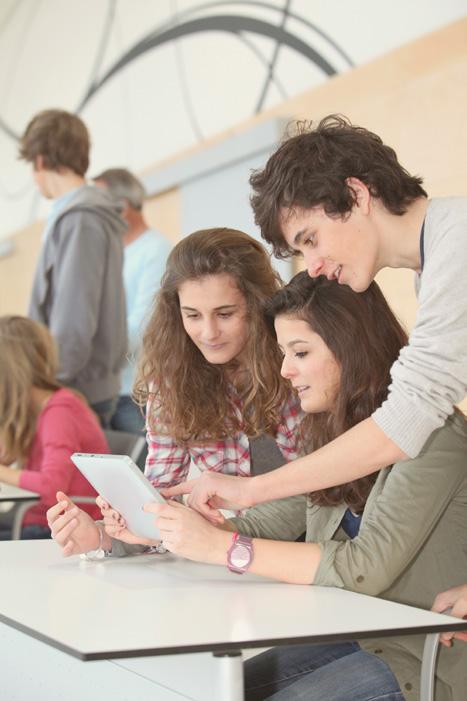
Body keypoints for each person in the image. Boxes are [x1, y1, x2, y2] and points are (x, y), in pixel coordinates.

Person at [119, 273, 466, 701]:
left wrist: (219, 548)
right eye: (283, 353)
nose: (285, 370)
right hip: (357, 633)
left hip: (425, 654)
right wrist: (172, 531)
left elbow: (366, 565)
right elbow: (280, 518)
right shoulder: (328, 433)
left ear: (350, 348)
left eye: (300, 352)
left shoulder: (436, 434)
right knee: (220, 691)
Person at [162, 114, 467, 527]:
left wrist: (251, 490)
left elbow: (404, 422)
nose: (316, 267)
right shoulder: (435, 262)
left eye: (310, 239)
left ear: (357, 195)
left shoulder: (456, 249)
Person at [46, 228, 302, 555]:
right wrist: (103, 535)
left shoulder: (295, 366)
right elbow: (159, 499)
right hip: (235, 557)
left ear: (257, 305)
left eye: (225, 314)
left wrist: (214, 535)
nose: (208, 332)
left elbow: (318, 495)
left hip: (304, 555)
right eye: (192, 315)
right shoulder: (171, 382)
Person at [19, 109, 127, 427]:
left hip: (75, 389)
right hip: (80, 385)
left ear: (39, 161)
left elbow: (75, 319)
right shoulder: (81, 216)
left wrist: (48, 386)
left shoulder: (81, 219)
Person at [0, 316, 107, 539]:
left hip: (64, 528)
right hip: (37, 519)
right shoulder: (36, 409)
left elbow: (52, 488)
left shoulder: (60, 411)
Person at [92, 168, 172, 438]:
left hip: (135, 394)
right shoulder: (112, 254)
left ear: (123, 207)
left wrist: (89, 351)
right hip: (110, 389)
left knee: (141, 476)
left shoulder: (156, 251)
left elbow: (143, 326)